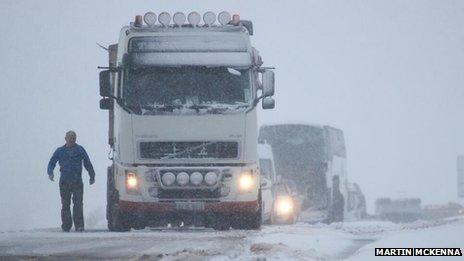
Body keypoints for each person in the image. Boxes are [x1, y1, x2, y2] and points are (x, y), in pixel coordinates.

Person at [47, 131, 95, 232]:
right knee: (65, 204)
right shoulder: (60, 151)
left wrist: (92, 176)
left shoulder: (80, 150)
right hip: (64, 182)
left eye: (74, 138)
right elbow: (52, 162)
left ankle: (79, 226)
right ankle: (66, 225)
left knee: (78, 204)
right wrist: (50, 173)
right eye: (70, 137)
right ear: (65, 138)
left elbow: (87, 163)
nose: (72, 139)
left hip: (77, 181)